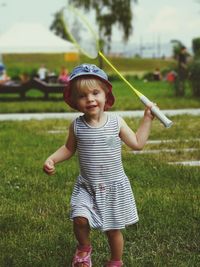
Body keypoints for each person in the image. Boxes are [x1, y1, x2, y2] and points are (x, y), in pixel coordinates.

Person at [43, 63, 155, 267]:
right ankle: (84, 249)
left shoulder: (116, 122)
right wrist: (52, 159)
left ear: (106, 96)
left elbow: (137, 144)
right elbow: (68, 149)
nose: (90, 99)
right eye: (83, 96)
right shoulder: (77, 125)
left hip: (113, 188)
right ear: (75, 101)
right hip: (87, 185)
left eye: (95, 93)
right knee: (79, 219)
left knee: (113, 230)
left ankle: (115, 261)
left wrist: (147, 119)